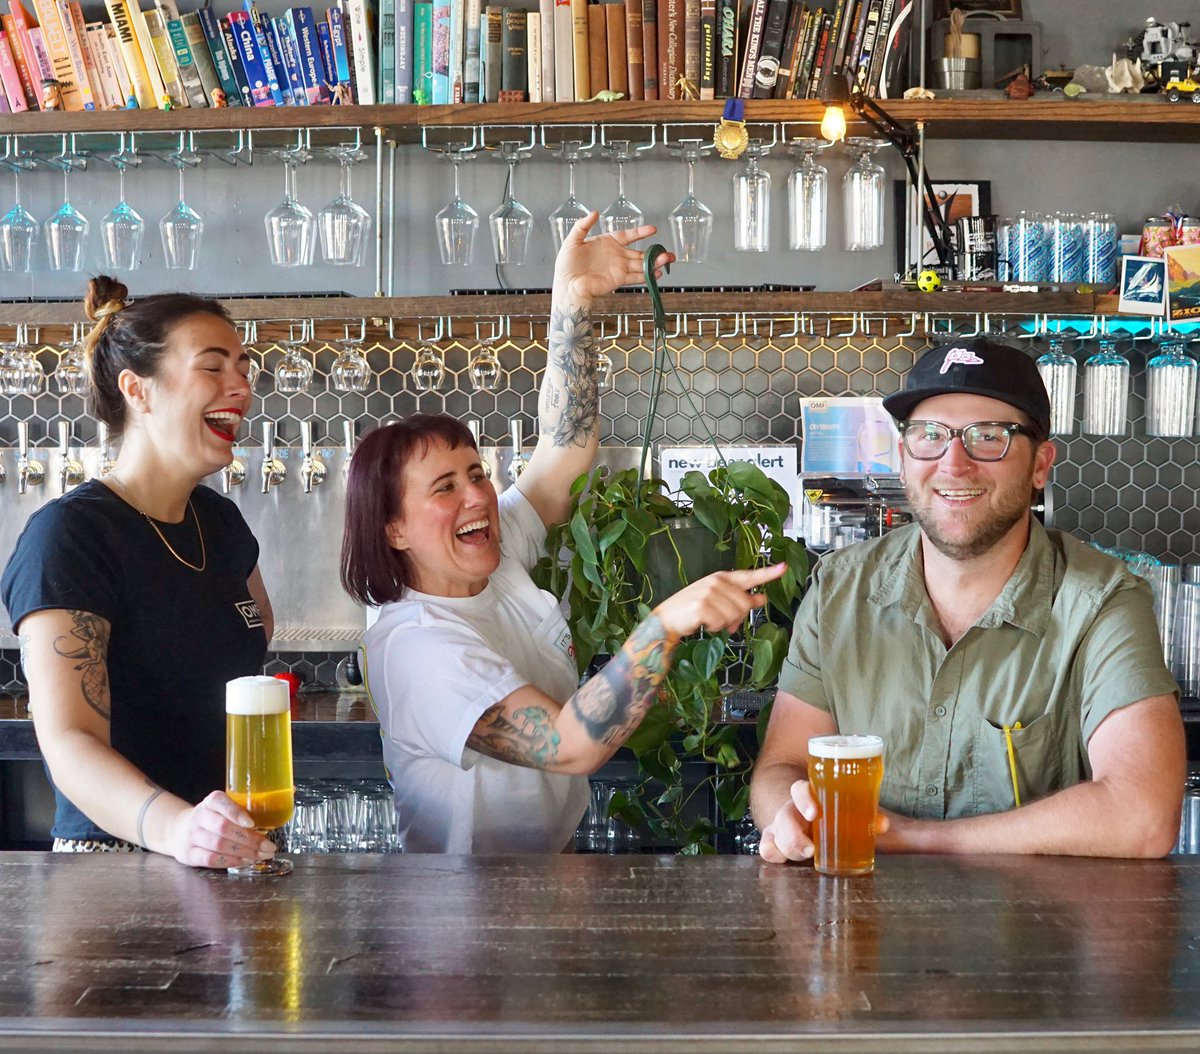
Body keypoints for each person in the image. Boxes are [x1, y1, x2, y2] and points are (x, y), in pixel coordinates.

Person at [342, 214, 786, 853]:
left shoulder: (495, 562)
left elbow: (566, 448)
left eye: (477, 474)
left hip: (537, 882)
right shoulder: (417, 647)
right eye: (445, 488)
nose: (478, 496)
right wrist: (664, 624)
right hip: (463, 923)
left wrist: (571, 303)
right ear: (394, 529)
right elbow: (569, 746)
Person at [752, 338, 1185, 862]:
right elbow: (783, 767)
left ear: (1041, 464)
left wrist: (916, 838)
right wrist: (789, 813)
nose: (953, 464)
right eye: (928, 435)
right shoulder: (840, 588)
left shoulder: (1102, 601)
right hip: (857, 929)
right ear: (905, 455)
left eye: (988, 437)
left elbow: (1142, 816)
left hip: (1032, 936)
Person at [1, 277, 278, 868]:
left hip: (224, 850)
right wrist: (180, 830)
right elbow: (69, 741)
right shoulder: (70, 537)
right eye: (214, 367)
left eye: (243, 366)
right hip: (115, 865)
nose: (242, 387)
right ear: (138, 390)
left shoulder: (222, 524)